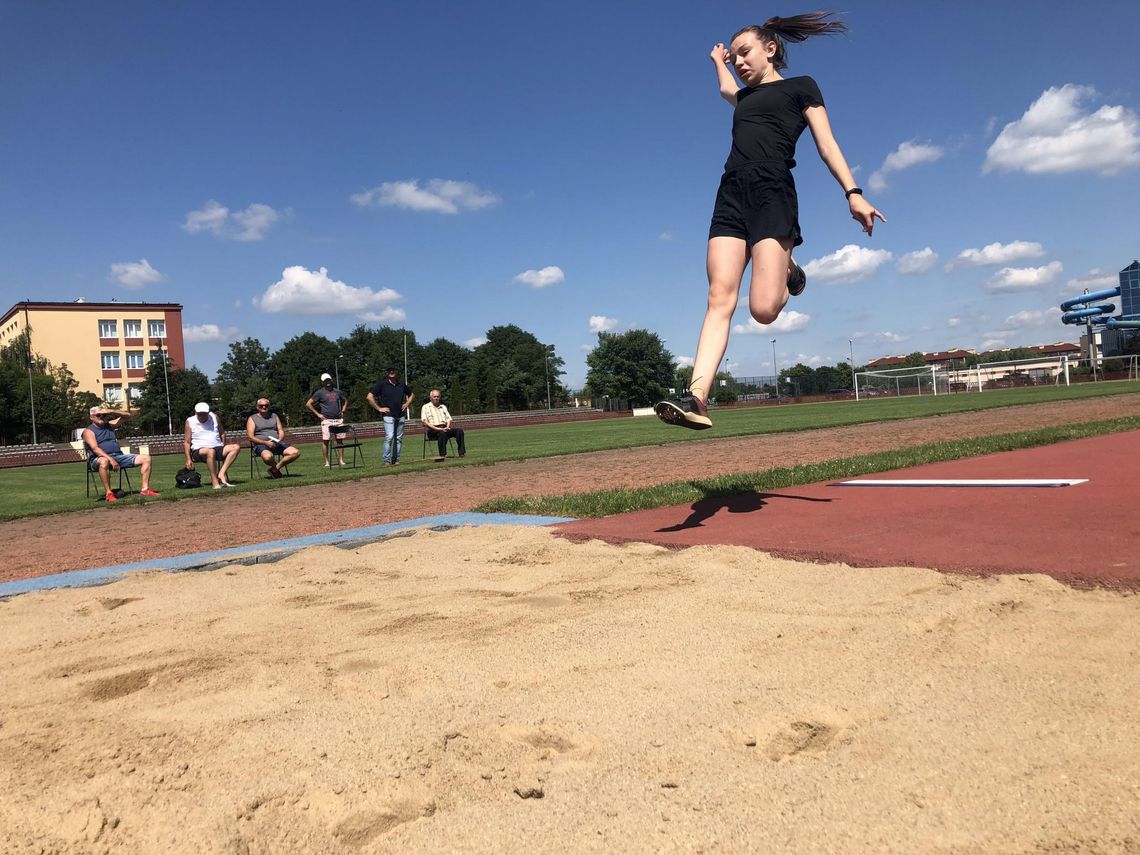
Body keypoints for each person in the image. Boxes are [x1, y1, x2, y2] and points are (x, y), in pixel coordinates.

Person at [655, 12, 884, 430]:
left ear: (771, 48)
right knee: (719, 297)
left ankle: (789, 272)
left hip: (772, 190)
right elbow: (728, 87)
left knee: (762, 310)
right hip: (730, 193)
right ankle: (697, 398)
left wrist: (853, 193)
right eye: (736, 56)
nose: (740, 62)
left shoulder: (801, 87)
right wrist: (717, 61)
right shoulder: (741, 98)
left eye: (745, 53)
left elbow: (826, 142)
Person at [82, 404, 160, 501]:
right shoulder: (88, 431)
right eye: (98, 415)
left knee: (146, 458)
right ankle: (109, 493)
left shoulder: (109, 425)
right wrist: (111, 460)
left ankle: (145, 489)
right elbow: (95, 449)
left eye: (103, 415)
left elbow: (128, 416)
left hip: (118, 456)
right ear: (91, 417)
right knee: (104, 461)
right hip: (97, 460)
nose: (101, 417)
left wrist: (111, 411)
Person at [184, 402, 240, 489]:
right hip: (199, 450)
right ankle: (215, 482)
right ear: (196, 413)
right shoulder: (190, 421)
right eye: (200, 414)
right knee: (210, 451)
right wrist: (188, 459)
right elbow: (187, 442)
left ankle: (221, 473)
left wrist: (223, 445)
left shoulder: (214, 417)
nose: (202, 416)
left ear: (208, 412)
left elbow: (222, 433)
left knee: (235, 447)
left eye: (204, 414)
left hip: (217, 446)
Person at [367, 365, 413, 466]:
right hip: (388, 415)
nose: (391, 372)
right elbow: (369, 397)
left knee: (398, 439)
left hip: (400, 415)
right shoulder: (382, 384)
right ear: (387, 373)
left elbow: (411, 394)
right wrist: (379, 408)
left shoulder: (401, 384)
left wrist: (407, 404)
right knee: (389, 437)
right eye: (389, 370)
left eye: (393, 370)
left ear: (396, 371)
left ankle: (396, 460)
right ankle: (386, 460)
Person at [246, 397, 301, 478]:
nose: (264, 407)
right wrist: (266, 442)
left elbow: (281, 430)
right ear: (257, 407)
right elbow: (250, 437)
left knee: (296, 452)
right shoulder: (252, 418)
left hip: (277, 442)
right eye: (261, 405)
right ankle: (275, 469)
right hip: (261, 444)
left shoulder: (274, 416)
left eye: (266, 405)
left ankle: (275, 469)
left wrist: (279, 439)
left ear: (269, 406)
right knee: (268, 457)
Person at [307, 372, 348, 467]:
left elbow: (345, 400)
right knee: (326, 440)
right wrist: (318, 414)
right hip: (326, 420)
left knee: (340, 440)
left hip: (338, 419)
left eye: (328, 380)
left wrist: (343, 410)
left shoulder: (337, 391)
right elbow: (308, 404)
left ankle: (341, 460)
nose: (327, 382)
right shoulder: (319, 393)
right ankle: (326, 462)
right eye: (325, 381)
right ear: (322, 382)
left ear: (331, 380)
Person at [420, 388, 466, 460]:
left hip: (445, 427)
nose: (436, 398)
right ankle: (442, 455)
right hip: (432, 430)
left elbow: (448, 419)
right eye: (434, 396)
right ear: (430, 398)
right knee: (442, 433)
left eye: (438, 396)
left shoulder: (443, 407)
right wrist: (439, 429)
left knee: (459, 431)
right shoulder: (425, 407)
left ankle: (461, 453)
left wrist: (447, 427)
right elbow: (425, 422)